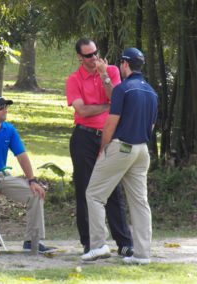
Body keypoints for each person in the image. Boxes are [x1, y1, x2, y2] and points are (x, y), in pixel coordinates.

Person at [81, 47, 158, 264]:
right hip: (142, 150)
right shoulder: (152, 92)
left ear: (124, 64)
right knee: (140, 202)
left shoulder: (123, 89)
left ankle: (98, 245)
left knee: (94, 194)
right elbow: (151, 127)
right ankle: (142, 255)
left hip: (122, 147)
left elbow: (110, 125)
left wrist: (103, 150)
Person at [65, 38, 133, 256]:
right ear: (79, 57)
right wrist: (106, 106)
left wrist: (104, 76)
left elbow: (116, 97)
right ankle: (91, 243)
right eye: (88, 56)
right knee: (85, 189)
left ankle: (124, 242)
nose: (93, 58)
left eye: (95, 53)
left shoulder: (111, 71)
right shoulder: (74, 79)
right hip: (84, 137)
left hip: (109, 136)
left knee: (114, 188)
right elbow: (82, 111)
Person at [0, 94, 56, 255]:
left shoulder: (9, 129)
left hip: (2, 175)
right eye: (0, 108)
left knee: (35, 194)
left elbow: (21, 155)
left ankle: (32, 241)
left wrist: (32, 180)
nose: (5, 110)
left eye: (6, 107)